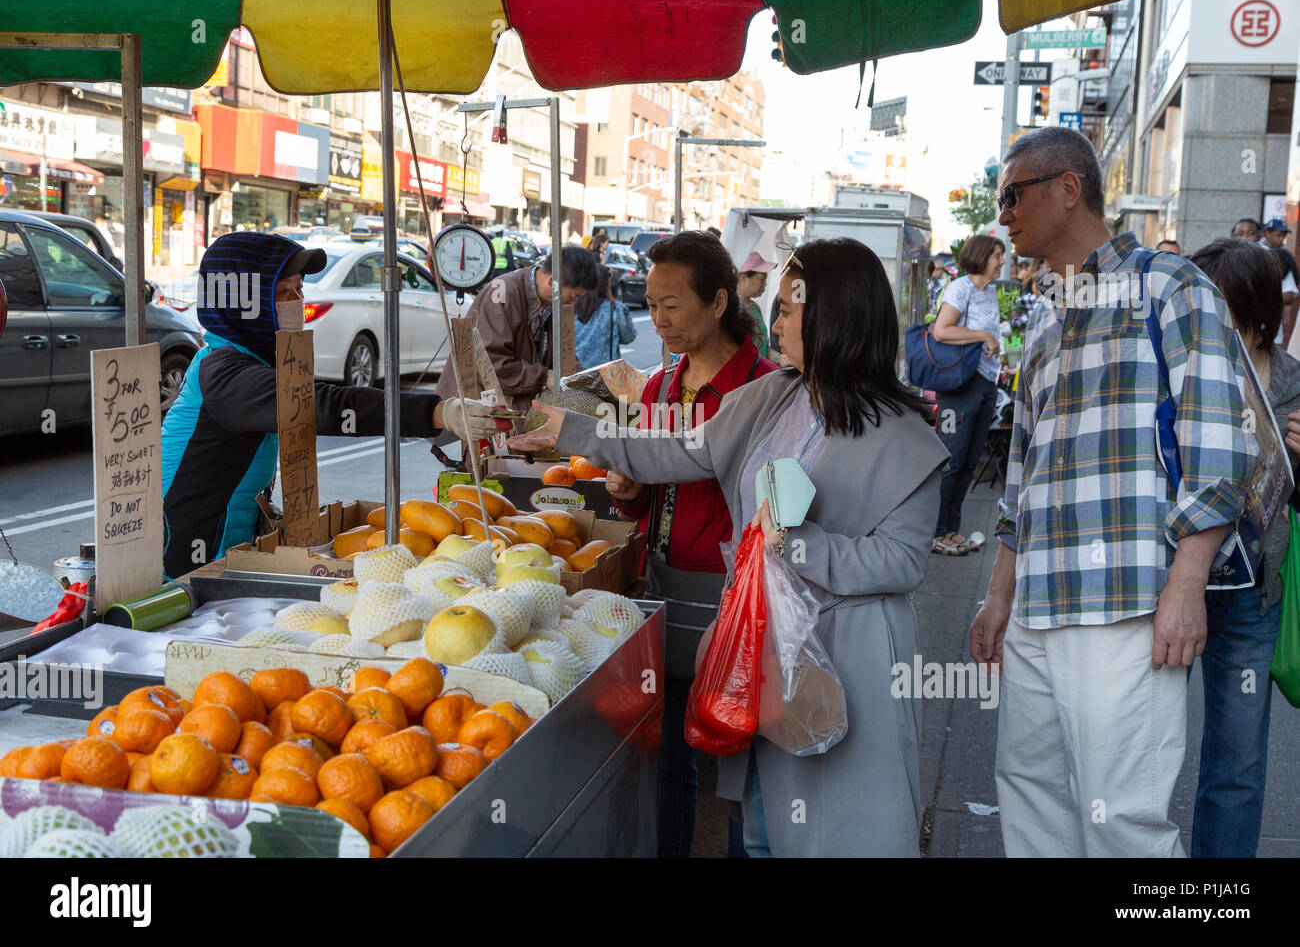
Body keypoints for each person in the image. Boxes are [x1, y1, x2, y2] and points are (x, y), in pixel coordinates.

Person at [512, 236, 950, 857]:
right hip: (763, 642)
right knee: (763, 826)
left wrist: (800, 545)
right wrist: (575, 430)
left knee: (840, 831)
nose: (777, 320)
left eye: (792, 307)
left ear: (839, 314)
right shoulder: (776, 397)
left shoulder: (904, 435)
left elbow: (903, 562)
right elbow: (678, 450)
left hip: (849, 656)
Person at [971, 127, 1257, 858]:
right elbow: (1021, 479)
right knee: (1030, 794)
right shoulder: (1044, 322)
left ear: (1069, 188)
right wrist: (999, 593)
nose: (1002, 214)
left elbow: (1221, 447)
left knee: (1121, 819)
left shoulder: (1169, 285)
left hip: (1127, 596)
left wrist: (1186, 584)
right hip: (1038, 601)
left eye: (1013, 194)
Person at [160, 232, 506, 578]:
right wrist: (436, 412)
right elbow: (319, 405)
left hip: (224, 543)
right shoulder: (227, 372)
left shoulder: (248, 362)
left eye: (300, 288)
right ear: (242, 299)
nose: (296, 300)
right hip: (187, 551)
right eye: (282, 292)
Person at [600, 231, 773, 857]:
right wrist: (625, 489)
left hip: (735, 603)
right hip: (662, 589)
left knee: (736, 769)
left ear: (720, 301)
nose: (659, 320)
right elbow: (641, 493)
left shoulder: (764, 389)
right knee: (667, 758)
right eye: (651, 304)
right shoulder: (658, 387)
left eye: (672, 305)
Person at [1186, 238, 1299, 857]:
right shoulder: (1167, 370)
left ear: (1253, 309)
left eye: (1211, 301)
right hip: (1166, 585)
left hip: (1254, 595)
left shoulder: (1292, 384)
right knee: (1132, 753)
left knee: (1234, 764)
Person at [432, 245, 599, 412]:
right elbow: (491, 363)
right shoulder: (502, 293)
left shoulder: (557, 304)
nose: (574, 303)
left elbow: (564, 355)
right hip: (478, 404)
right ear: (552, 282)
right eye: (574, 296)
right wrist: (543, 376)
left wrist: (588, 380)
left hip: (518, 404)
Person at [930, 234, 1004, 556]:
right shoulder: (961, 288)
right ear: (982, 256)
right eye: (998, 255)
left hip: (986, 385)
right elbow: (942, 330)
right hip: (960, 388)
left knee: (970, 461)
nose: (1002, 261)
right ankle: (933, 530)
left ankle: (951, 528)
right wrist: (982, 335)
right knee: (951, 459)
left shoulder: (991, 292)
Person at [573, 265, 636, 368]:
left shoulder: (574, 306)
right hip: (605, 374)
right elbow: (628, 337)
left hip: (576, 371)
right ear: (607, 283)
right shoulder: (616, 309)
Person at [1261, 218, 1300, 346]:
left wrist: (1260, 299)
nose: (1281, 239)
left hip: (1270, 330)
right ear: (1266, 233)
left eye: (1283, 236)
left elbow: (1289, 295)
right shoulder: (1249, 252)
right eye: (1278, 235)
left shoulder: (1283, 256)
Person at [737, 251, 777, 360]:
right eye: (761, 278)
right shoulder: (732, 311)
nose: (765, 284)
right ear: (743, 277)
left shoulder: (754, 308)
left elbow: (762, 348)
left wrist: (780, 358)